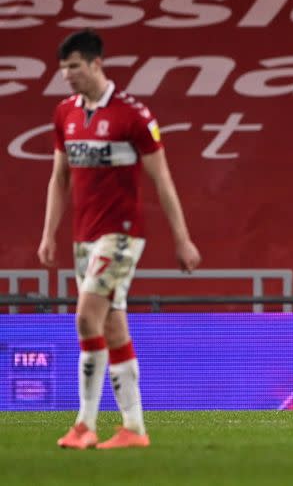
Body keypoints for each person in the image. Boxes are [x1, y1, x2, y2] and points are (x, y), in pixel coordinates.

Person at [38, 29, 201, 449]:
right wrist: (48, 233)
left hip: (121, 237)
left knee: (85, 318)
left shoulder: (134, 116)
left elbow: (162, 179)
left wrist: (182, 239)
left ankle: (84, 424)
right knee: (111, 327)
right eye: (63, 69)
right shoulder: (64, 115)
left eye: (74, 66)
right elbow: (59, 179)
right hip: (83, 237)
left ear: (95, 63)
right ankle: (134, 429)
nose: (67, 75)